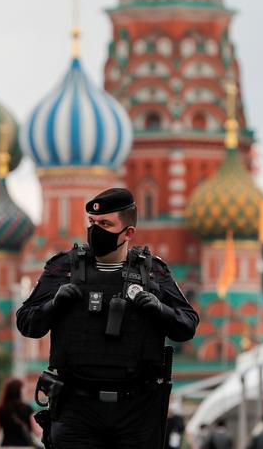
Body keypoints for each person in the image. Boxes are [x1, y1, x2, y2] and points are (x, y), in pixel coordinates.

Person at [16, 188, 199, 448]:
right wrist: (54, 304)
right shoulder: (63, 268)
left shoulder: (153, 272)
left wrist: (159, 309)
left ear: (128, 233)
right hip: (77, 408)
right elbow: (26, 322)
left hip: (136, 410)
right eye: (92, 223)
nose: (96, 230)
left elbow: (187, 325)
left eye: (105, 224)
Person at [0, 378, 41, 449]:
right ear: (19, 391)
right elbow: (37, 431)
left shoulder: (0, 410)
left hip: (6, 446)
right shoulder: (27, 408)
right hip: (25, 446)